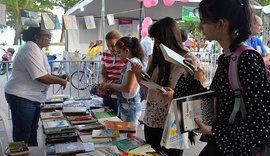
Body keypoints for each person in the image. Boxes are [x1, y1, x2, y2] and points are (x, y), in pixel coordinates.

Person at [175, 0, 270, 155]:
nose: (200, 27)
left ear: (220, 24)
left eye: (204, 21)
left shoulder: (247, 59)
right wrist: (189, 73)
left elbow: (260, 122)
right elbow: (216, 102)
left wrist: (213, 130)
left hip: (235, 149)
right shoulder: (229, 57)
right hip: (222, 145)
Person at [131, 17, 191, 156]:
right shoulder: (155, 57)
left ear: (169, 38)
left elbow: (194, 96)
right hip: (151, 119)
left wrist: (174, 95)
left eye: (159, 41)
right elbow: (147, 89)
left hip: (173, 123)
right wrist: (138, 73)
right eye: (154, 41)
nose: (156, 45)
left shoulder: (188, 60)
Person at [4, 27, 68, 146]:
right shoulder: (31, 48)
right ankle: (20, 153)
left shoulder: (36, 48)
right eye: (47, 35)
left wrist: (58, 76)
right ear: (36, 37)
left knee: (32, 130)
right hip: (22, 96)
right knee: (22, 134)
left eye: (50, 35)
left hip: (30, 96)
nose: (50, 38)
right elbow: (41, 76)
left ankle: (32, 151)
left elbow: (43, 72)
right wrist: (60, 81)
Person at [103, 37, 144, 134]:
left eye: (119, 52)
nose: (117, 55)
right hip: (126, 105)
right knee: (125, 135)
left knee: (129, 139)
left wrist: (111, 85)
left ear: (127, 51)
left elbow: (128, 88)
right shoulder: (130, 63)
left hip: (131, 106)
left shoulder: (133, 63)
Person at [100, 30, 126, 114]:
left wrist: (113, 85)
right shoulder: (105, 53)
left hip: (120, 94)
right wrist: (104, 82)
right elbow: (103, 72)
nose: (110, 48)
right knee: (108, 118)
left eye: (112, 45)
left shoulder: (124, 55)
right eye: (108, 45)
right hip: (108, 93)